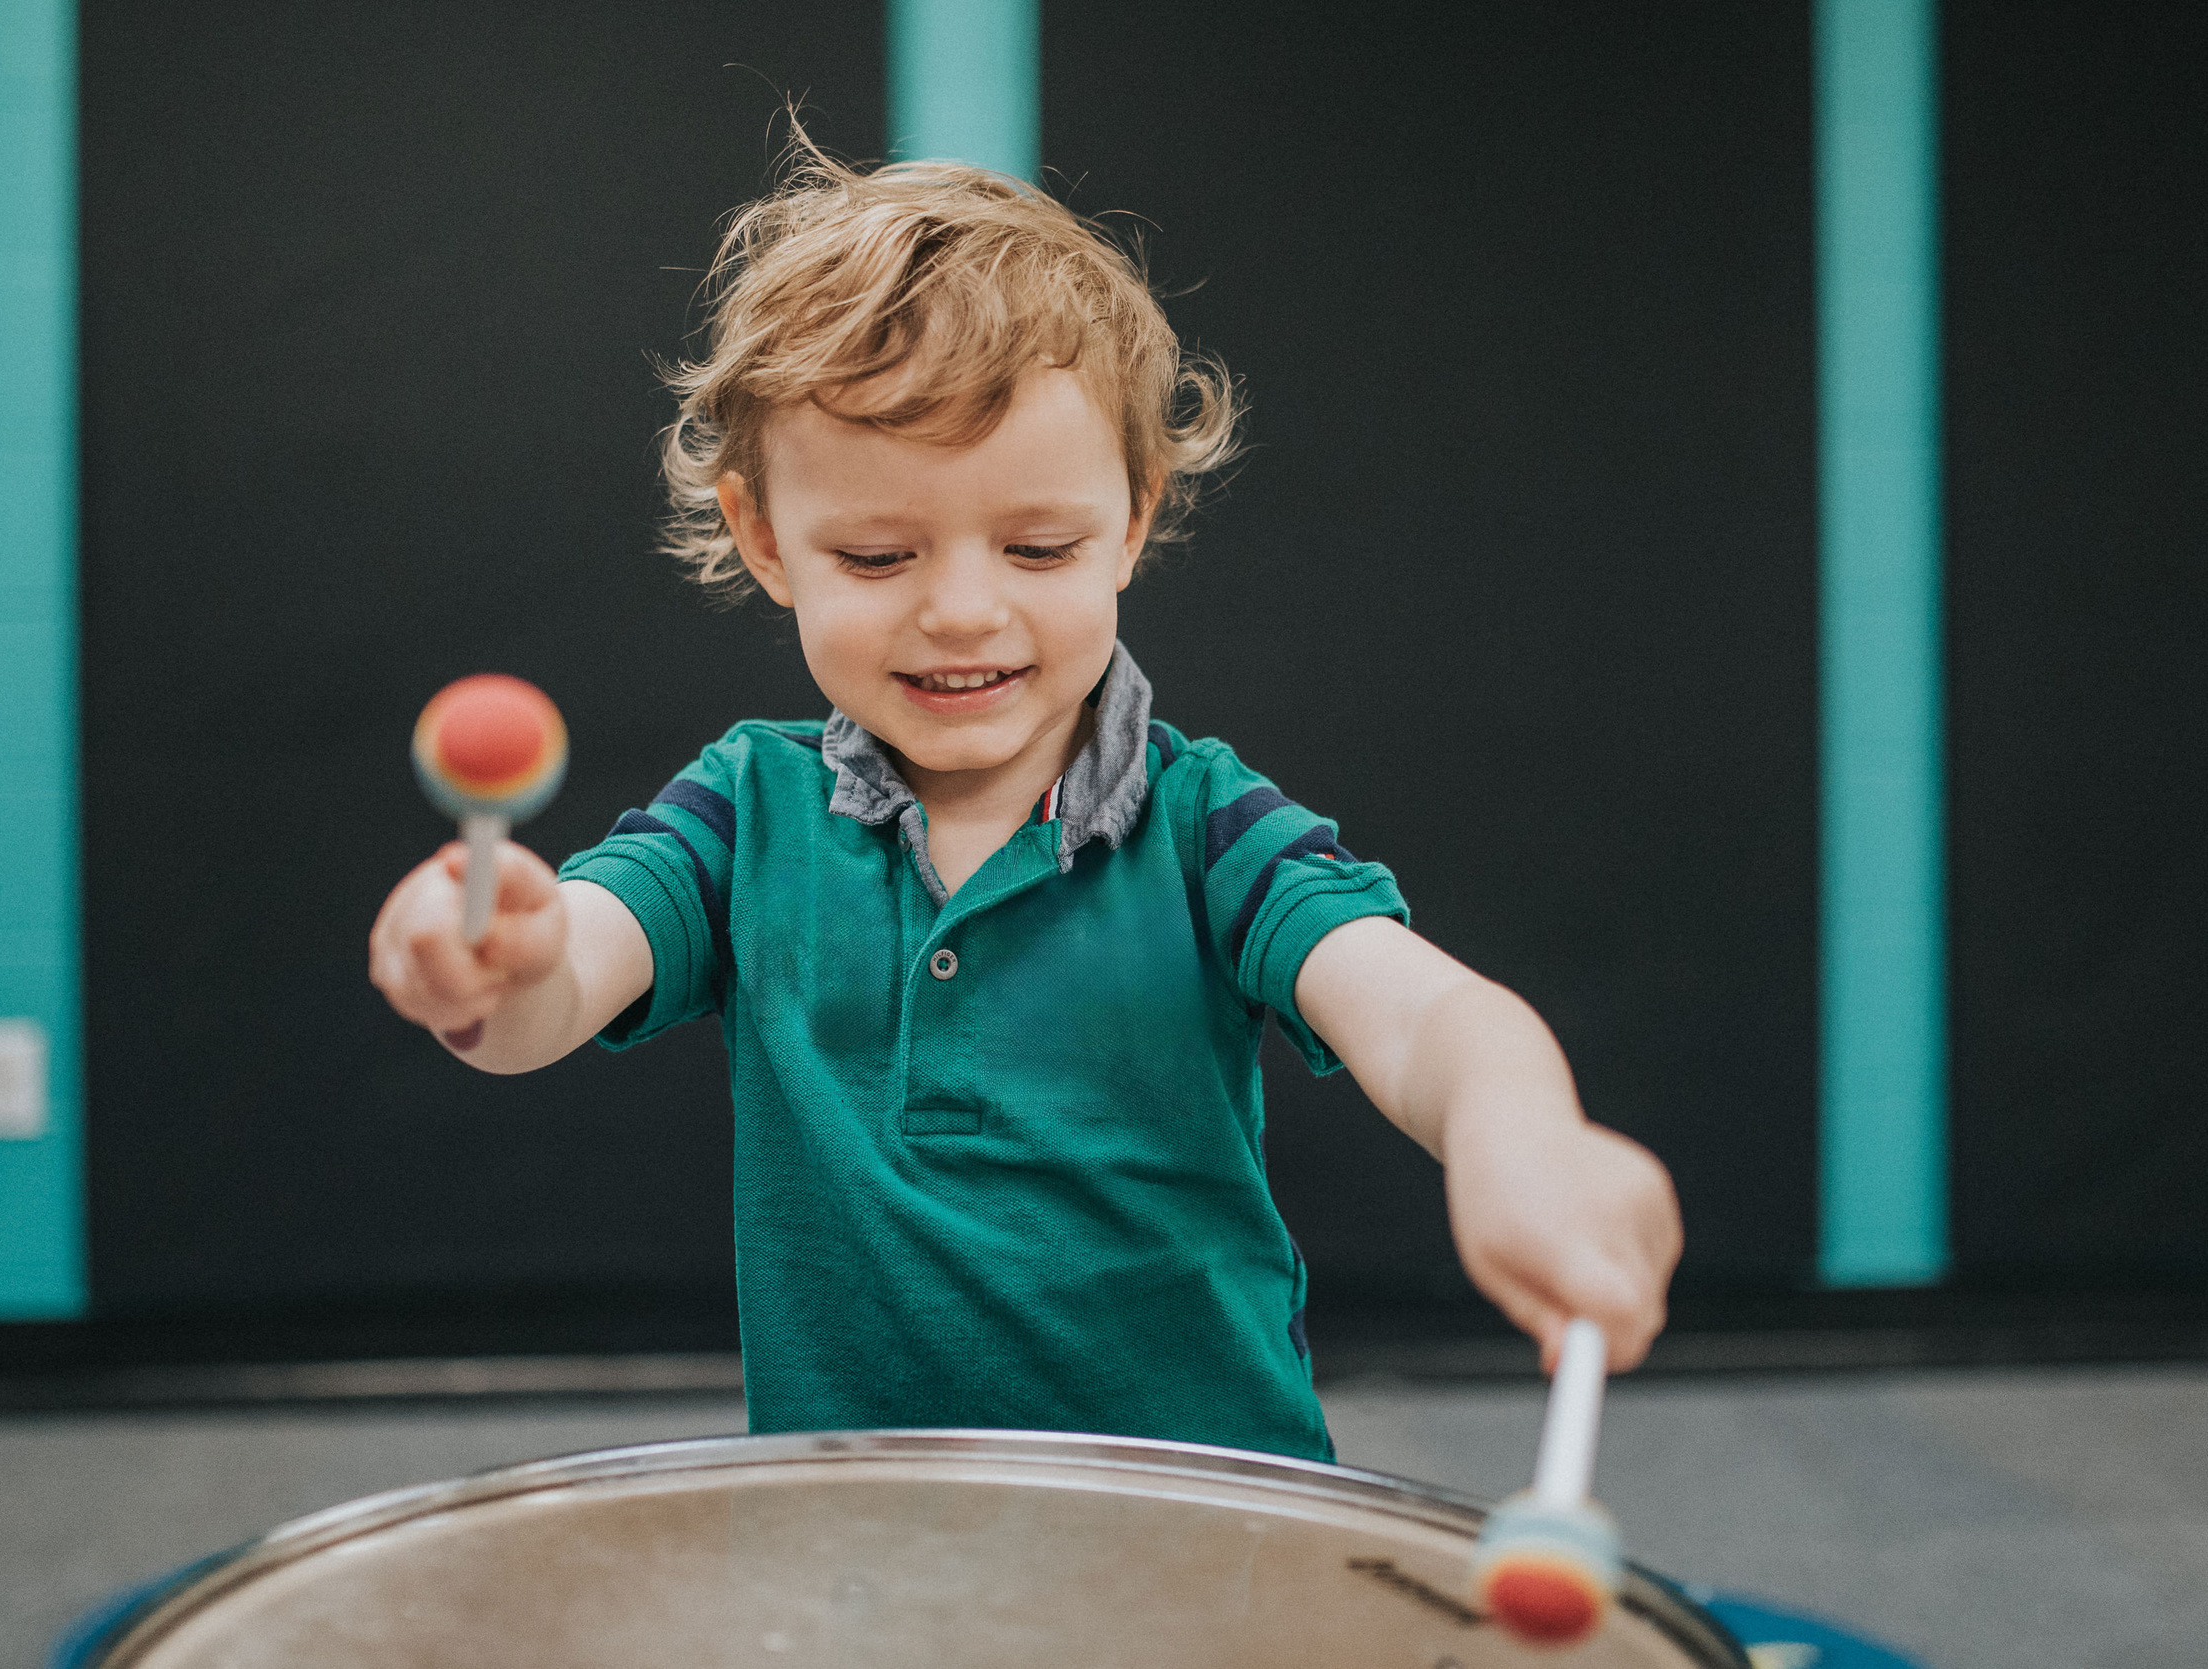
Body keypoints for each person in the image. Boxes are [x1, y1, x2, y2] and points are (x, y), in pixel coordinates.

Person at [369, 140, 1681, 1463]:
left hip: (1195, 1530)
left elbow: (1429, 1019)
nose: (961, 610)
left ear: (1130, 520)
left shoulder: (1206, 829)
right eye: (878, 554)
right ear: (766, 538)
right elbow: (541, 1004)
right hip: (864, 1541)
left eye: (1037, 546)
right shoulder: (742, 813)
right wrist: (493, 959)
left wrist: (1523, 1138)